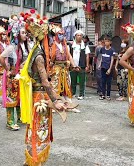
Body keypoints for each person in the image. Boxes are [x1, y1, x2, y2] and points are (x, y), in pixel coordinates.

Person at [19, 10, 67, 166]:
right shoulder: (39, 55)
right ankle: (35, 160)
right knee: (39, 127)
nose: (54, 39)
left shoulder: (37, 52)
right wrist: (56, 100)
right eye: (51, 37)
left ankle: (32, 159)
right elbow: (45, 82)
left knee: (37, 127)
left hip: (39, 96)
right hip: (40, 98)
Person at [49, 24, 79, 112]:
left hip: (64, 69)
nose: (62, 35)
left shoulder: (65, 45)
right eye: (60, 34)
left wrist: (74, 65)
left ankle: (69, 105)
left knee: (67, 87)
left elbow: (69, 56)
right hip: (56, 68)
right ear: (56, 35)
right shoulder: (52, 45)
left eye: (63, 34)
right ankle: (54, 105)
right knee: (54, 87)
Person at [70, 30, 90, 100]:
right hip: (73, 66)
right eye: (77, 35)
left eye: (80, 35)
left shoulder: (85, 46)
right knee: (73, 80)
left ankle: (81, 94)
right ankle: (73, 93)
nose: (79, 37)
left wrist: (87, 65)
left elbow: (87, 55)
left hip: (82, 65)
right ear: (75, 36)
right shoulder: (71, 45)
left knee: (82, 81)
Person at [99, 35, 115, 100]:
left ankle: (108, 95)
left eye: (107, 41)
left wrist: (110, 69)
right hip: (103, 67)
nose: (106, 43)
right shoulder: (102, 49)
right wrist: (99, 65)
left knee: (108, 82)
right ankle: (103, 94)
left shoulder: (112, 50)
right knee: (103, 81)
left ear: (110, 42)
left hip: (109, 68)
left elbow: (112, 60)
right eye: (105, 41)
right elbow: (101, 58)